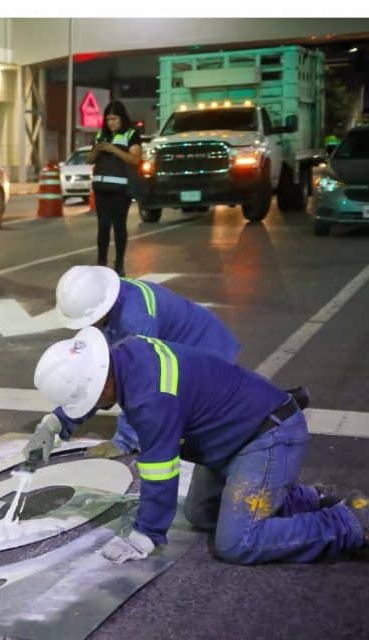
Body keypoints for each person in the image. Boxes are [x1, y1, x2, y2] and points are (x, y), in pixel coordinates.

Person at [28, 326, 368, 565]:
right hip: (232, 437)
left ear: (100, 385)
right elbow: (90, 391)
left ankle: (350, 522)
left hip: (267, 436)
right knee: (201, 514)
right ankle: (310, 498)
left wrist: (145, 535)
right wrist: (55, 423)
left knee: (237, 542)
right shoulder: (125, 355)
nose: (87, 406)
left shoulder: (151, 398)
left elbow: (160, 473)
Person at [49, 265, 240, 458]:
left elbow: (140, 383)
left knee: (188, 429)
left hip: (207, 350)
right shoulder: (106, 302)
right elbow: (93, 375)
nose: (87, 326)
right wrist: (58, 421)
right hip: (182, 349)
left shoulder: (135, 320)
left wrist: (125, 440)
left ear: (101, 309)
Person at [87, 101, 142, 277]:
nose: (111, 123)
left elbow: (135, 160)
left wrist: (114, 149)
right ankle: (101, 262)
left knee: (119, 226)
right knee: (103, 227)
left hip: (120, 189)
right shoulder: (101, 135)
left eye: (114, 119)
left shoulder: (131, 134)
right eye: (108, 119)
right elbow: (90, 160)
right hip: (101, 187)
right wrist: (98, 149)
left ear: (122, 118)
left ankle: (119, 263)